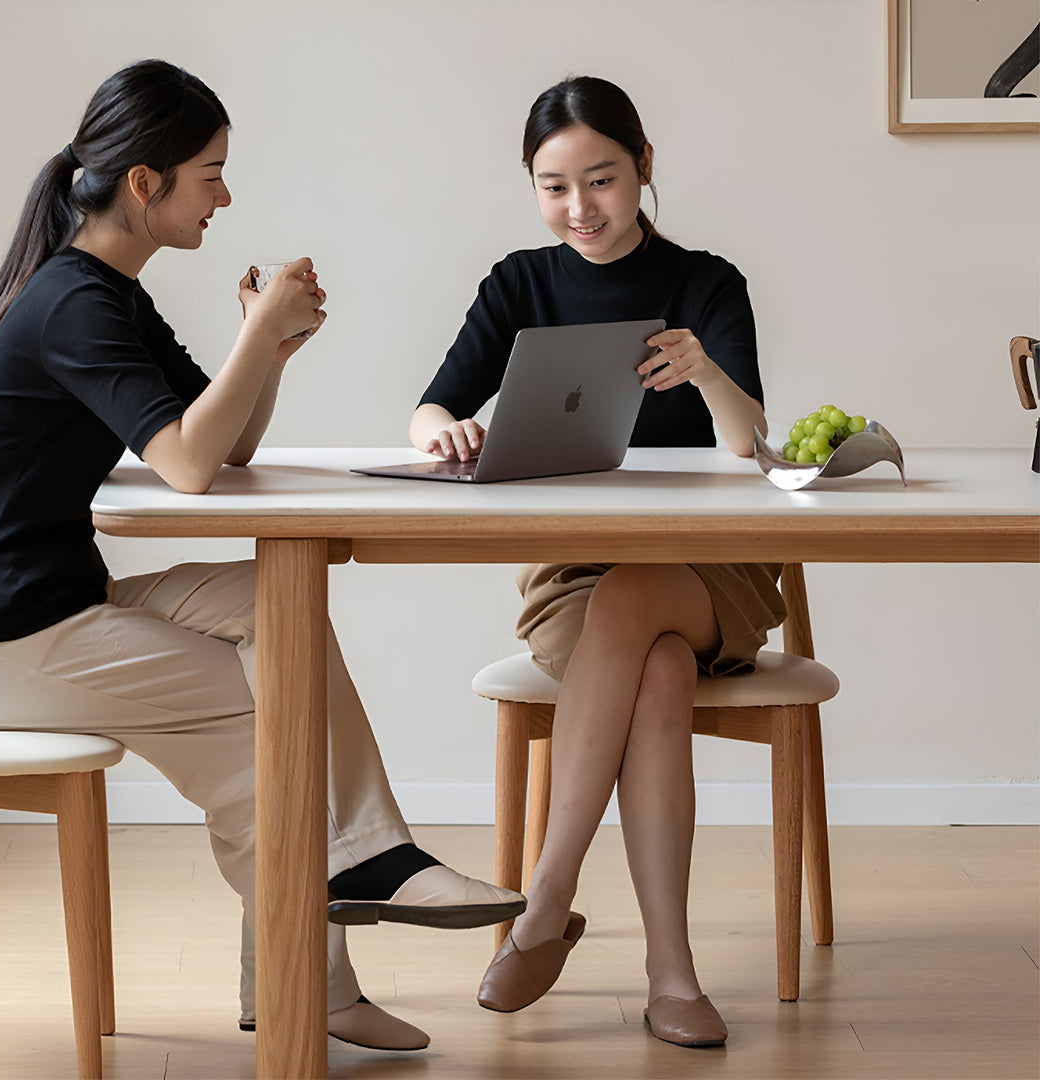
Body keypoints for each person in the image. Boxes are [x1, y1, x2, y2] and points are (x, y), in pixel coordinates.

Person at [0, 59, 524, 1052]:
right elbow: (184, 465)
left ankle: (359, 877)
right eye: (210, 174)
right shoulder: (75, 302)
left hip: (46, 608)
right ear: (146, 183)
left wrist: (270, 350)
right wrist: (254, 337)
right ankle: (322, 967)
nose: (225, 196)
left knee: (278, 605)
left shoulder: (108, 294)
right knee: (266, 725)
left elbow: (228, 448)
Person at [410, 75, 787, 1048]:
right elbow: (431, 405)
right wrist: (446, 431)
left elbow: (750, 446)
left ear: (645, 168)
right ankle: (671, 974)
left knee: (643, 607)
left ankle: (544, 903)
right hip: (573, 582)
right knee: (652, 666)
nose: (581, 208)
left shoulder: (708, 282)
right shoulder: (519, 283)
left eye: (603, 179)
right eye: (555, 186)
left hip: (713, 574)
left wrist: (707, 371)